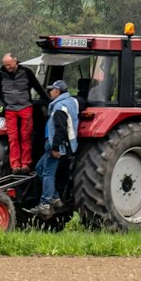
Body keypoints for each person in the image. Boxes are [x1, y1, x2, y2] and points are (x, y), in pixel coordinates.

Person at [0, 53, 45, 172]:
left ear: (15, 62)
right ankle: (15, 165)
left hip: (25, 108)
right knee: (13, 138)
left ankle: (25, 164)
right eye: (5, 65)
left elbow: (38, 88)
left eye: (9, 65)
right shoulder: (1, 74)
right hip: (10, 109)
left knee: (25, 136)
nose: (8, 67)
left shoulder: (26, 72)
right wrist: (3, 106)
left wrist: (47, 100)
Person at [34, 80, 80, 213]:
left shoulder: (59, 107)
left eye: (52, 90)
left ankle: (45, 203)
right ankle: (55, 198)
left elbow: (60, 129)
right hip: (60, 144)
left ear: (58, 92)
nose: (49, 92)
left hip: (55, 145)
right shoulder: (71, 102)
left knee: (48, 172)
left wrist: (55, 148)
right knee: (39, 168)